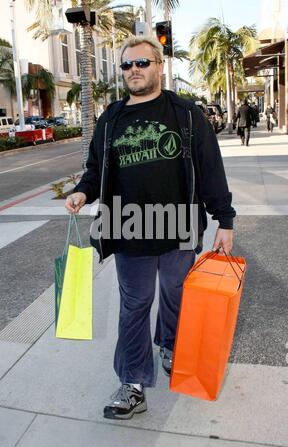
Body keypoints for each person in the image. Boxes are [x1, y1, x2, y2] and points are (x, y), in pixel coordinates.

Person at [65, 36, 236, 420]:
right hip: (127, 228)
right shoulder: (111, 118)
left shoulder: (187, 113)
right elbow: (96, 169)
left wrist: (224, 219)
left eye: (142, 63)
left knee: (177, 299)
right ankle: (132, 383)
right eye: (127, 66)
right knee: (134, 306)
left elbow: (210, 169)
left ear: (159, 66)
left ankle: (170, 345)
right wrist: (82, 191)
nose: (134, 71)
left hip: (178, 227)